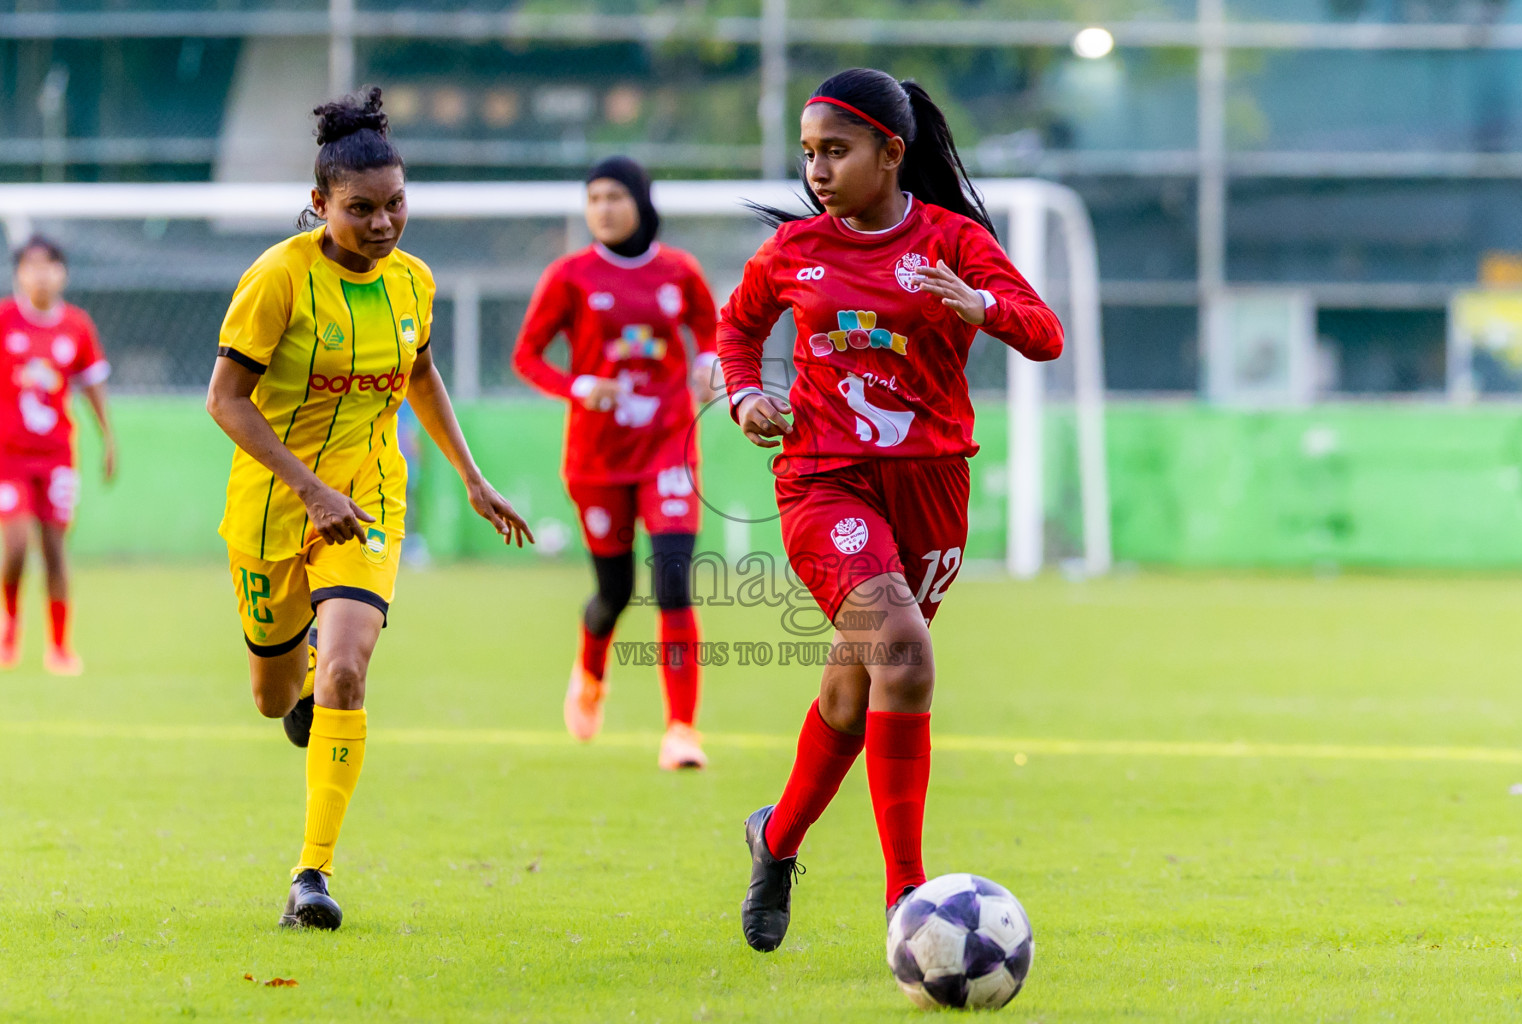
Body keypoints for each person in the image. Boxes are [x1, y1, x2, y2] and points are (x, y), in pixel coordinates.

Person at [716, 68, 1064, 951]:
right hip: (825, 482)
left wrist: (980, 305)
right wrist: (746, 395)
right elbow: (738, 329)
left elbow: (1044, 331)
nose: (818, 170)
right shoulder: (793, 252)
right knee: (904, 655)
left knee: (856, 683)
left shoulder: (952, 241)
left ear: (891, 152)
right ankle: (907, 899)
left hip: (933, 488)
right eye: (808, 153)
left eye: (835, 150)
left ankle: (777, 837)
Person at [205, 87, 533, 931]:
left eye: (395, 206)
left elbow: (419, 375)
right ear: (319, 205)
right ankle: (302, 675)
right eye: (361, 210)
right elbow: (226, 400)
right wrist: (310, 489)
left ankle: (310, 874)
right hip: (276, 509)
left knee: (349, 669)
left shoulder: (412, 283)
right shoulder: (277, 279)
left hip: (373, 498)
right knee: (276, 700)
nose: (383, 224)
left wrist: (470, 474)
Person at [513, 156, 719, 771]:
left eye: (614, 196)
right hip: (597, 458)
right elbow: (528, 356)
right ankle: (592, 666)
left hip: (668, 446)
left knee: (674, 583)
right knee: (615, 592)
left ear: (640, 200)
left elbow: (710, 328)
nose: (602, 208)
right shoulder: (569, 276)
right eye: (593, 197)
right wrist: (580, 387)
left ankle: (682, 730)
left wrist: (708, 364)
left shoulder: (679, 271)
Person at [0, 236, 114, 675]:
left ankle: (60, 647)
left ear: (62, 272)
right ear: (19, 274)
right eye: (31, 266)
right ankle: (10, 627)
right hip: (9, 457)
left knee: (54, 549)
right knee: (13, 547)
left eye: (49, 265)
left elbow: (92, 384)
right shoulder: (5, 320)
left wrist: (108, 439)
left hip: (57, 458)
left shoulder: (76, 326)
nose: (40, 274)